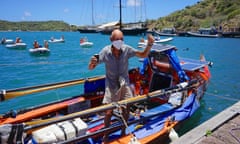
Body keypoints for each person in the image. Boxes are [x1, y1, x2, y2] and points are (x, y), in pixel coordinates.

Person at [88, 29, 154, 143]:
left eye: (121, 39)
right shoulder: (105, 51)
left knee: (126, 108)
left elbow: (143, 54)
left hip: (124, 83)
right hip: (111, 84)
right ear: (111, 40)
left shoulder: (127, 49)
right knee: (108, 111)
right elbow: (91, 68)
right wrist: (92, 62)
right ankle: (106, 135)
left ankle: (123, 132)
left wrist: (149, 44)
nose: (119, 41)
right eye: (117, 39)